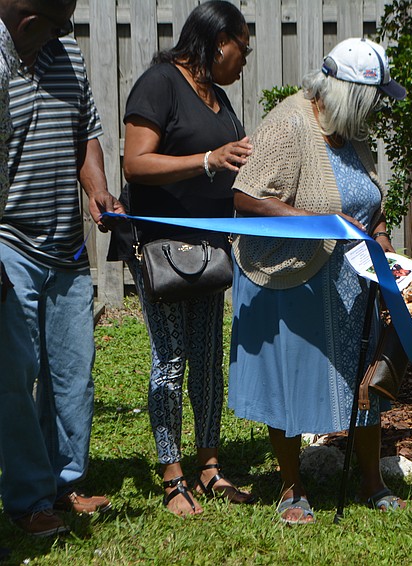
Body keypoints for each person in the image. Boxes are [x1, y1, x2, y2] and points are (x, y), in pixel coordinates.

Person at [227, 37, 408, 524]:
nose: (375, 111)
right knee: (290, 381)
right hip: (290, 278)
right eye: (371, 100)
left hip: (351, 282)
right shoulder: (289, 123)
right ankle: (291, 487)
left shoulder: (352, 132)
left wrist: (384, 240)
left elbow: (371, 202)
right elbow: (246, 197)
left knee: (363, 382)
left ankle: (373, 481)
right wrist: (317, 222)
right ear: (348, 92)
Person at [107, 1, 255, 517]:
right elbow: (136, 162)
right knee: (170, 360)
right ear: (218, 42)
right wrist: (209, 159)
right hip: (162, 250)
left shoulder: (217, 96)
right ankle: (172, 474)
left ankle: (210, 466)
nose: (245, 59)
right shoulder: (159, 83)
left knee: (208, 360)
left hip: (212, 249)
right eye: (242, 47)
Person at [0, 0, 122, 538]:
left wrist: (96, 188)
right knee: (15, 374)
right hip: (10, 241)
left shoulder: (64, 51)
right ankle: (29, 500)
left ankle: (64, 482)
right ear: (28, 22)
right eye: (55, 24)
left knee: (74, 376)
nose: (63, 34)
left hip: (67, 248)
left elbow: (86, 130)